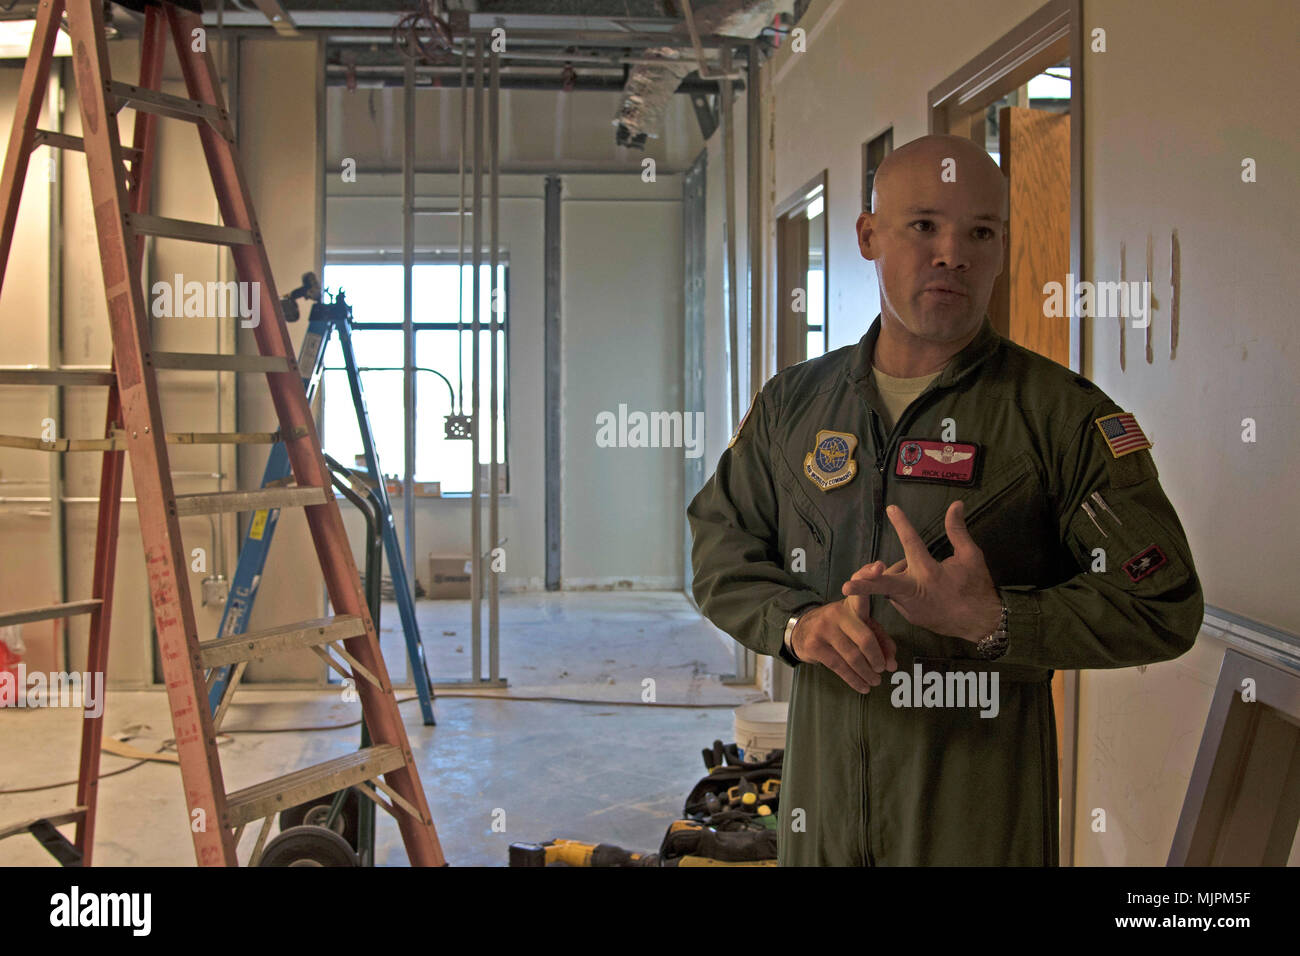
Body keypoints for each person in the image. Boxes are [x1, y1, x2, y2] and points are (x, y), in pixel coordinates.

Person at [687, 134, 1203, 865]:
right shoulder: (794, 406)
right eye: (924, 225)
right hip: (821, 816)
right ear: (869, 235)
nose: (952, 253)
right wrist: (797, 623)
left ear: (999, 249)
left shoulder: (1061, 419)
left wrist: (996, 620)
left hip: (977, 821)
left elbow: (1164, 607)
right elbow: (718, 546)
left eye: (980, 232)